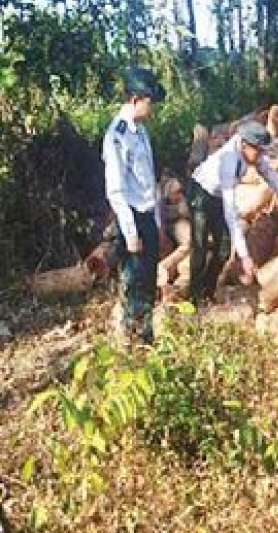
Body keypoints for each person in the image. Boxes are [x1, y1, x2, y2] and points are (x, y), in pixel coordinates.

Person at [187, 120, 278, 305]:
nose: (261, 156)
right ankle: (193, 297)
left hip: (216, 196)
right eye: (258, 151)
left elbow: (267, 171)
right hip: (200, 194)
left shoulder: (251, 152)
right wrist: (245, 257)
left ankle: (207, 291)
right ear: (245, 145)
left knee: (224, 248)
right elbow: (231, 213)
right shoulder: (229, 162)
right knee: (200, 246)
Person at [102, 67, 166, 345]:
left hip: (146, 215)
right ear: (136, 99)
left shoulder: (140, 132)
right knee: (135, 283)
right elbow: (116, 190)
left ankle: (146, 338)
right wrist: (130, 232)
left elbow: (148, 180)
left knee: (148, 281)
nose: (152, 109)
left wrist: (158, 221)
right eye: (150, 102)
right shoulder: (117, 136)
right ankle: (134, 342)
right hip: (132, 218)